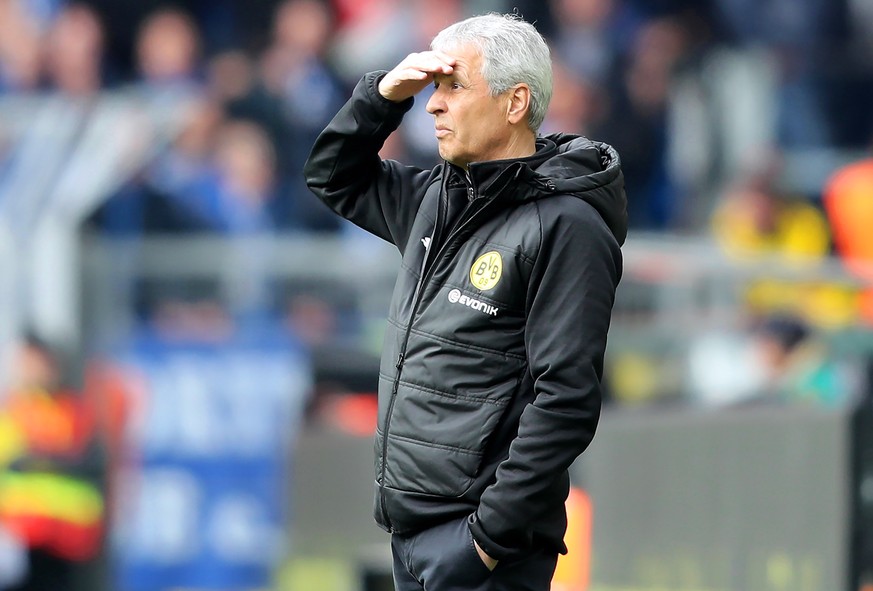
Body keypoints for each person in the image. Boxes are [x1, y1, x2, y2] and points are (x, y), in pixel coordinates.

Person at [304, 12, 626, 591]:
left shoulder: (567, 225)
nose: (432, 105)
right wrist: (382, 97)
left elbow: (567, 398)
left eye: (454, 87)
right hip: (412, 536)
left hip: (484, 552)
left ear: (515, 102)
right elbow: (332, 176)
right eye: (433, 89)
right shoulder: (438, 197)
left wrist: (485, 542)